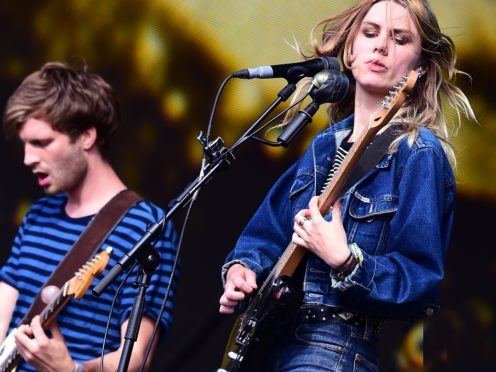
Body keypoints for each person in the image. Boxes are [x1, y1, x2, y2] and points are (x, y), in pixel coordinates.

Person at [219, 0, 475, 370]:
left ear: (420, 67)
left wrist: (345, 260)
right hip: (271, 343)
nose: (381, 46)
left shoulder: (418, 152)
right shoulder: (323, 146)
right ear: (350, 50)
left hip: (333, 349)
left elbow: (420, 278)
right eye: (370, 33)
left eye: (400, 39)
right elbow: (264, 234)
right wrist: (241, 270)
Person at [0, 62, 178, 371]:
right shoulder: (39, 214)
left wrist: (72, 370)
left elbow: (135, 359)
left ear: (86, 136)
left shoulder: (146, 226)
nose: (28, 158)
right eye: (25, 145)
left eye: (42, 143)